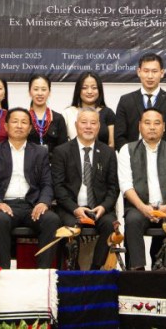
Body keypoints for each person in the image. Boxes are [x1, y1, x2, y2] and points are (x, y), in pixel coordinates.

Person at [0, 108, 61, 269]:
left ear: (30, 128)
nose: (19, 125)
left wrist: (43, 203)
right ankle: (2, 273)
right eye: (15, 121)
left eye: (24, 122)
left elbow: (47, 183)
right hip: (5, 205)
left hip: (31, 206)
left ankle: (43, 272)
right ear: (6, 126)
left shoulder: (40, 152)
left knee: (52, 220)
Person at [117, 108, 166, 270]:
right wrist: (143, 208)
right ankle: (137, 269)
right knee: (133, 220)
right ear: (140, 126)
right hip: (139, 207)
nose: (152, 127)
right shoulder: (127, 150)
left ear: (163, 127)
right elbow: (126, 185)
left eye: (157, 123)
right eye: (147, 123)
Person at [51, 108, 119, 270]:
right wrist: (75, 209)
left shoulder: (108, 153)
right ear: (76, 125)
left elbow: (113, 187)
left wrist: (103, 207)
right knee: (70, 228)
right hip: (71, 208)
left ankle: (95, 269)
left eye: (93, 123)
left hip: (98, 208)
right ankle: (73, 270)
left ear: (99, 127)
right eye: (84, 122)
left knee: (109, 224)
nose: (88, 127)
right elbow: (58, 187)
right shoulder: (62, 151)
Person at [114, 53, 166, 150]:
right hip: (132, 159)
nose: (150, 76)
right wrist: (130, 155)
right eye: (146, 71)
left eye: (154, 71)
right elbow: (119, 137)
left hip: (163, 161)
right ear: (139, 72)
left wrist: (161, 157)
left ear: (162, 73)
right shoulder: (125, 101)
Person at [63, 71, 116, 148]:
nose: (89, 91)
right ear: (78, 90)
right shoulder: (67, 113)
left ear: (99, 90)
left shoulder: (108, 113)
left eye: (94, 88)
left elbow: (112, 144)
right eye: (84, 88)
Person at [26, 75, 68, 153]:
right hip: (29, 163)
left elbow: (63, 149)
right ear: (29, 92)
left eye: (44, 89)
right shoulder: (24, 118)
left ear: (49, 92)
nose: (40, 93)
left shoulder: (58, 118)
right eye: (36, 89)